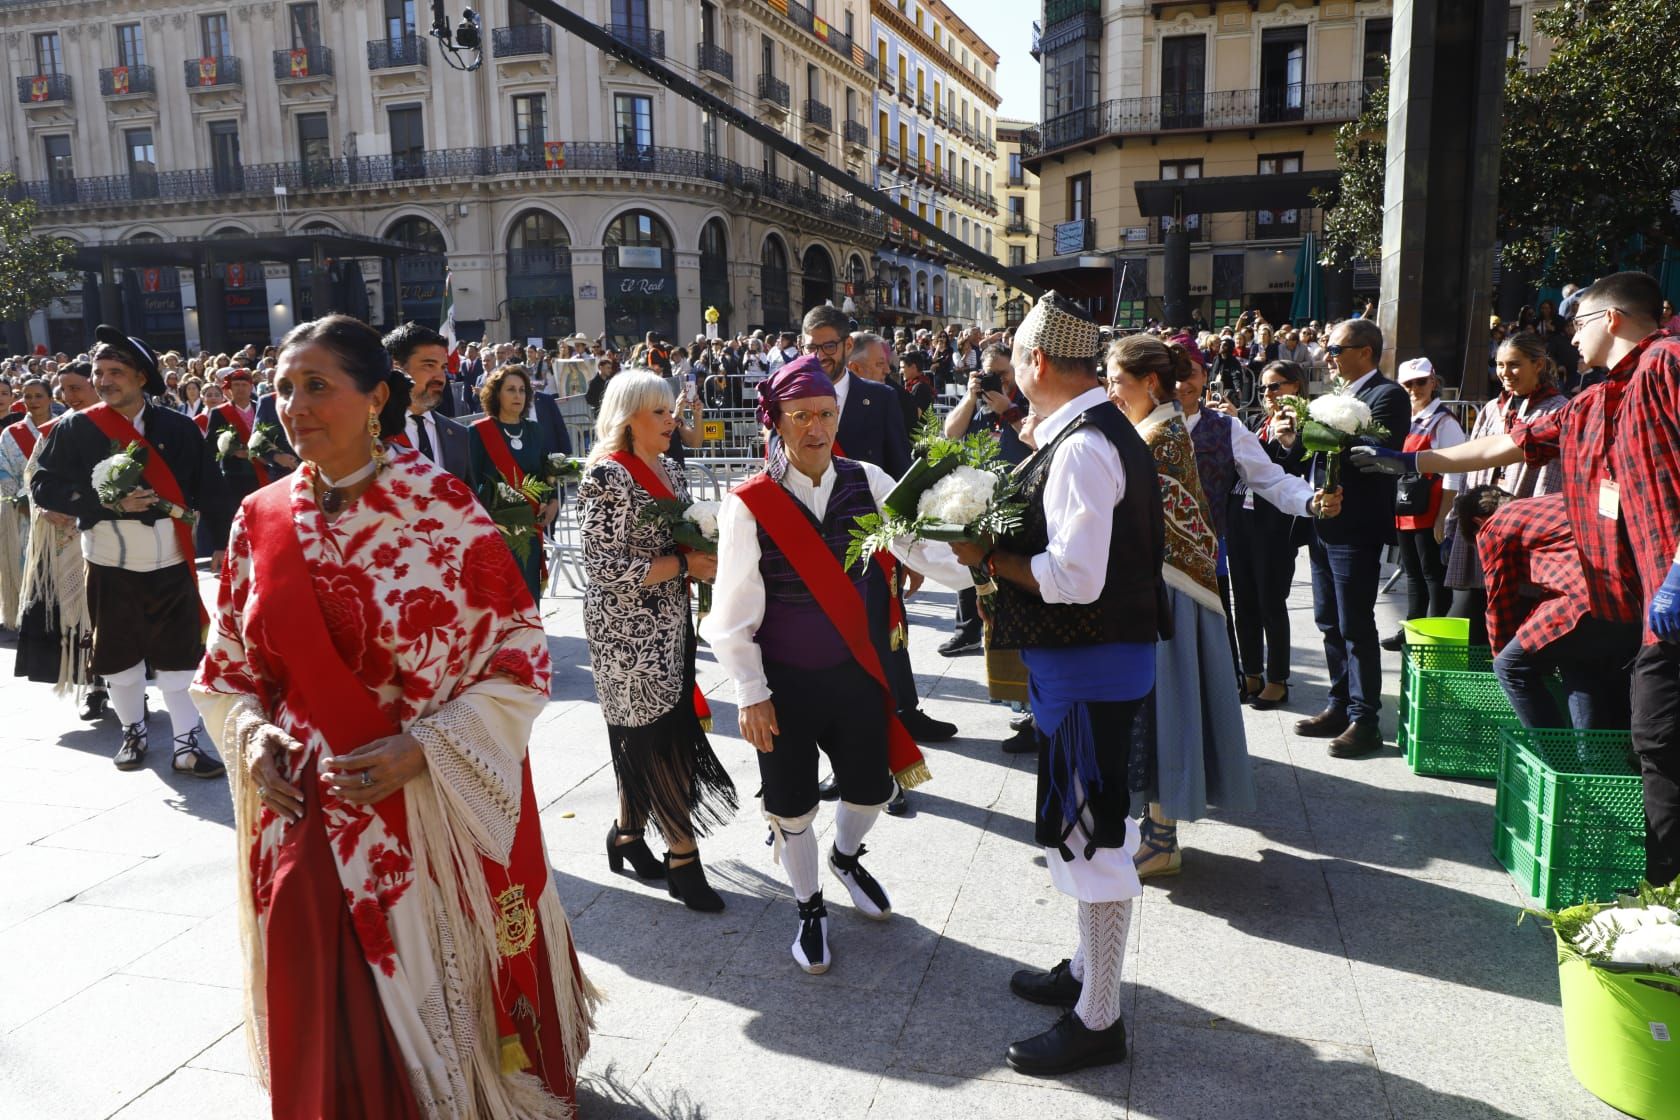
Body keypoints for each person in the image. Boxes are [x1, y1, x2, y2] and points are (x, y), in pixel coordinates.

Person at [190, 313, 597, 1117]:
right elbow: (226, 667)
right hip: (301, 808)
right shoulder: (255, 519)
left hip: (417, 808)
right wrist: (250, 734)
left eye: (317, 386)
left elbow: (519, 655)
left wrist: (424, 749)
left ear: (376, 397)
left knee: (425, 1000)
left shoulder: (441, 508)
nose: (294, 406)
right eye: (283, 389)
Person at [1354, 272, 1675, 882]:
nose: (1570, 339)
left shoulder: (1666, 363)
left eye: (1577, 324)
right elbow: (1507, 446)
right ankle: (1604, 824)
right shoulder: (1595, 400)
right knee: (1639, 729)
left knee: (1658, 743)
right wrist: (1413, 461)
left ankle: (1655, 880)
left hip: (1662, 593)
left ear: (1611, 320)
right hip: (1628, 598)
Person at [945, 294, 1164, 1076]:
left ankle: (1100, 1020)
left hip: (1090, 669)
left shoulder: (1083, 445)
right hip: (1087, 667)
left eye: (1015, 358)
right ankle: (1084, 971)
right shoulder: (1088, 430)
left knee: (1092, 842)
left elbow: (1075, 578)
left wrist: (988, 560)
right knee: (1083, 831)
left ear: (1037, 361)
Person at [702, 355, 972, 975]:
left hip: (855, 672)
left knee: (872, 788)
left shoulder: (868, 480)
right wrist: (750, 690)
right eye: (800, 416)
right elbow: (732, 610)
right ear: (776, 422)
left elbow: (919, 547)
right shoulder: (750, 504)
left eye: (825, 414)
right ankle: (809, 906)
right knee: (793, 805)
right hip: (784, 682)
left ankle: (846, 858)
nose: (816, 428)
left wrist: (983, 563)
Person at [1106, 336, 1333, 878]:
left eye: (1116, 379)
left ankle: (1162, 833)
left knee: (1173, 701)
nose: (1184, 384)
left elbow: (1268, 478)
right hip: (1167, 579)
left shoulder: (1196, 432)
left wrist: (1310, 500)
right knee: (1167, 704)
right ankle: (1156, 823)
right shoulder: (1145, 427)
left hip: (1181, 582)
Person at [31, 327, 221, 777]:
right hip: (109, 561)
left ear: (141, 377)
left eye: (115, 372)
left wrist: (223, 543)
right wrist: (105, 503)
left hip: (171, 558)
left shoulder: (178, 427)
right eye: (99, 372)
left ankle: (186, 746)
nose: (104, 381)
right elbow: (44, 485)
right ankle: (133, 733)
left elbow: (209, 487)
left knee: (179, 654)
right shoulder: (75, 427)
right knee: (117, 654)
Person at [580, 371, 737, 912]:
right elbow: (603, 568)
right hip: (624, 633)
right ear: (629, 419)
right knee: (658, 737)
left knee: (649, 735)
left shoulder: (669, 467)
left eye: (672, 411)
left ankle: (627, 833)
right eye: (661, 413)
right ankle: (683, 857)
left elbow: (681, 536)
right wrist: (684, 565)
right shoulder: (607, 475)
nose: (673, 421)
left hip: (669, 620)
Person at [800, 304, 954, 812]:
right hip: (815, 557)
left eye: (827, 345)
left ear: (847, 346)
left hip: (874, 554)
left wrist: (912, 553)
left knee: (879, 659)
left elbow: (902, 475)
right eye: (810, 346)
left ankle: (886, 767)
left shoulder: (881, 398)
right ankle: (842, 763)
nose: (818, 355)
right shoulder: (793, 394)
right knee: (829, 662)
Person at [1294, 317, 1410, 758]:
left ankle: (1366, 719)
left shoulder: (1388, 395)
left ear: (1365, 352)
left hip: (1356, 526)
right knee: (1328, 620)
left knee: (1355, 624)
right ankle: (1339, 704)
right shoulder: (1337, 396)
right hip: (1323, 522)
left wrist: (1323, 433)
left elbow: (1376, 453)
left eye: (1335, 350)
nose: (1328, 357)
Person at [1440, 334, 1570, 643]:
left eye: (1514, 364)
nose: (1504, 373)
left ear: (1538, 364)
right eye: (1499, 365)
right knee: (1468, 620)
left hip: (1523, 527)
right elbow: (1471, 466)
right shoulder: (1492, 409)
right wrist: (1454, 522)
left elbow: (1556, 479)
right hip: (1479, 524)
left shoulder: (1558, 410)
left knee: (1512, 622)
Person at [1227, 361, 1316, 709]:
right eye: (1264, 387)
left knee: (1271, 601)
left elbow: (1292, 471)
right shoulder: (1253, 424)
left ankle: (1278, 679)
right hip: (1241, 519)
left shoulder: (1309, 426)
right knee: (1244, 601)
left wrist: (1288, 441)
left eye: (1276, 386)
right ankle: (1252, 672)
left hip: (1275, 525)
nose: (1268, 394)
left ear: (1296, 387)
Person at [940, 344, 1030, 660]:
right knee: (969, 561)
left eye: (1002, 373)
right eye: (989, 374)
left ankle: (1011, 634)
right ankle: (967, 632)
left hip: (1017, 501)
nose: (996, 380)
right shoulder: (977, 405)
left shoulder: (1026, 400)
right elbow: (950, 433)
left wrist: (1009, 408)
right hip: (978, 499)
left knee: (1008, 569)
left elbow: (1037, 438)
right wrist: (969, 397)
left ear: (1015, 370)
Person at [1378, 358, 1466, 650]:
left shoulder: (1444, 421)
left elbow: (1456, 469)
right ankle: (1412, 630)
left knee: (1433, 576)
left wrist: (1443, 516)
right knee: (1413, 574)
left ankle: (1434, 637)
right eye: (1408, 384)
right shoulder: (1404, 419)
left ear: (1433, 382)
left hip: (1430, 509)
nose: (1415, 388)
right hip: (1405, 507)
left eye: (1420, 382)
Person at [470, 365, 555, 602]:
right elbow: (470, 482)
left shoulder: (535, 431)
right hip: (494, 532)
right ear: (496, 394)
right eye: (510, 389)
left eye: (522, 390)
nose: (518, 395)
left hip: (529, 532)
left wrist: (553, 502)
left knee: (528, 599)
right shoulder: (479, 432)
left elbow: (545, 473)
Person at [387, 322, 475, 487]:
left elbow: (470, 499)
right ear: (396, 366)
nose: (441, 378)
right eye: (429, 365)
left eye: (443, 367)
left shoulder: (458, 434)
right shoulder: (369, 433)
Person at [201, 367, 265, 575]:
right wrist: (231, 450)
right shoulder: (220, 412)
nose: (240, 389)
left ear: (251, 387)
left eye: (244, 385)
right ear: (229, 389)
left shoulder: (260, 407)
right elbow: (211, 445)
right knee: (236, 517)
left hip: (260, 473)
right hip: (233, 475)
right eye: (236, 385)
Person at [0, 377, 52, 628]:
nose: (33, 401)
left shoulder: (63, 427)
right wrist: (22, 498)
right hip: (22, 512)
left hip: (58, 512)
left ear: (51, 398)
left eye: (38, 396)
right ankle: (28, 620)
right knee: (25, 564)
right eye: (27, 396)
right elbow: (3, 470)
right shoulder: (11, 434)